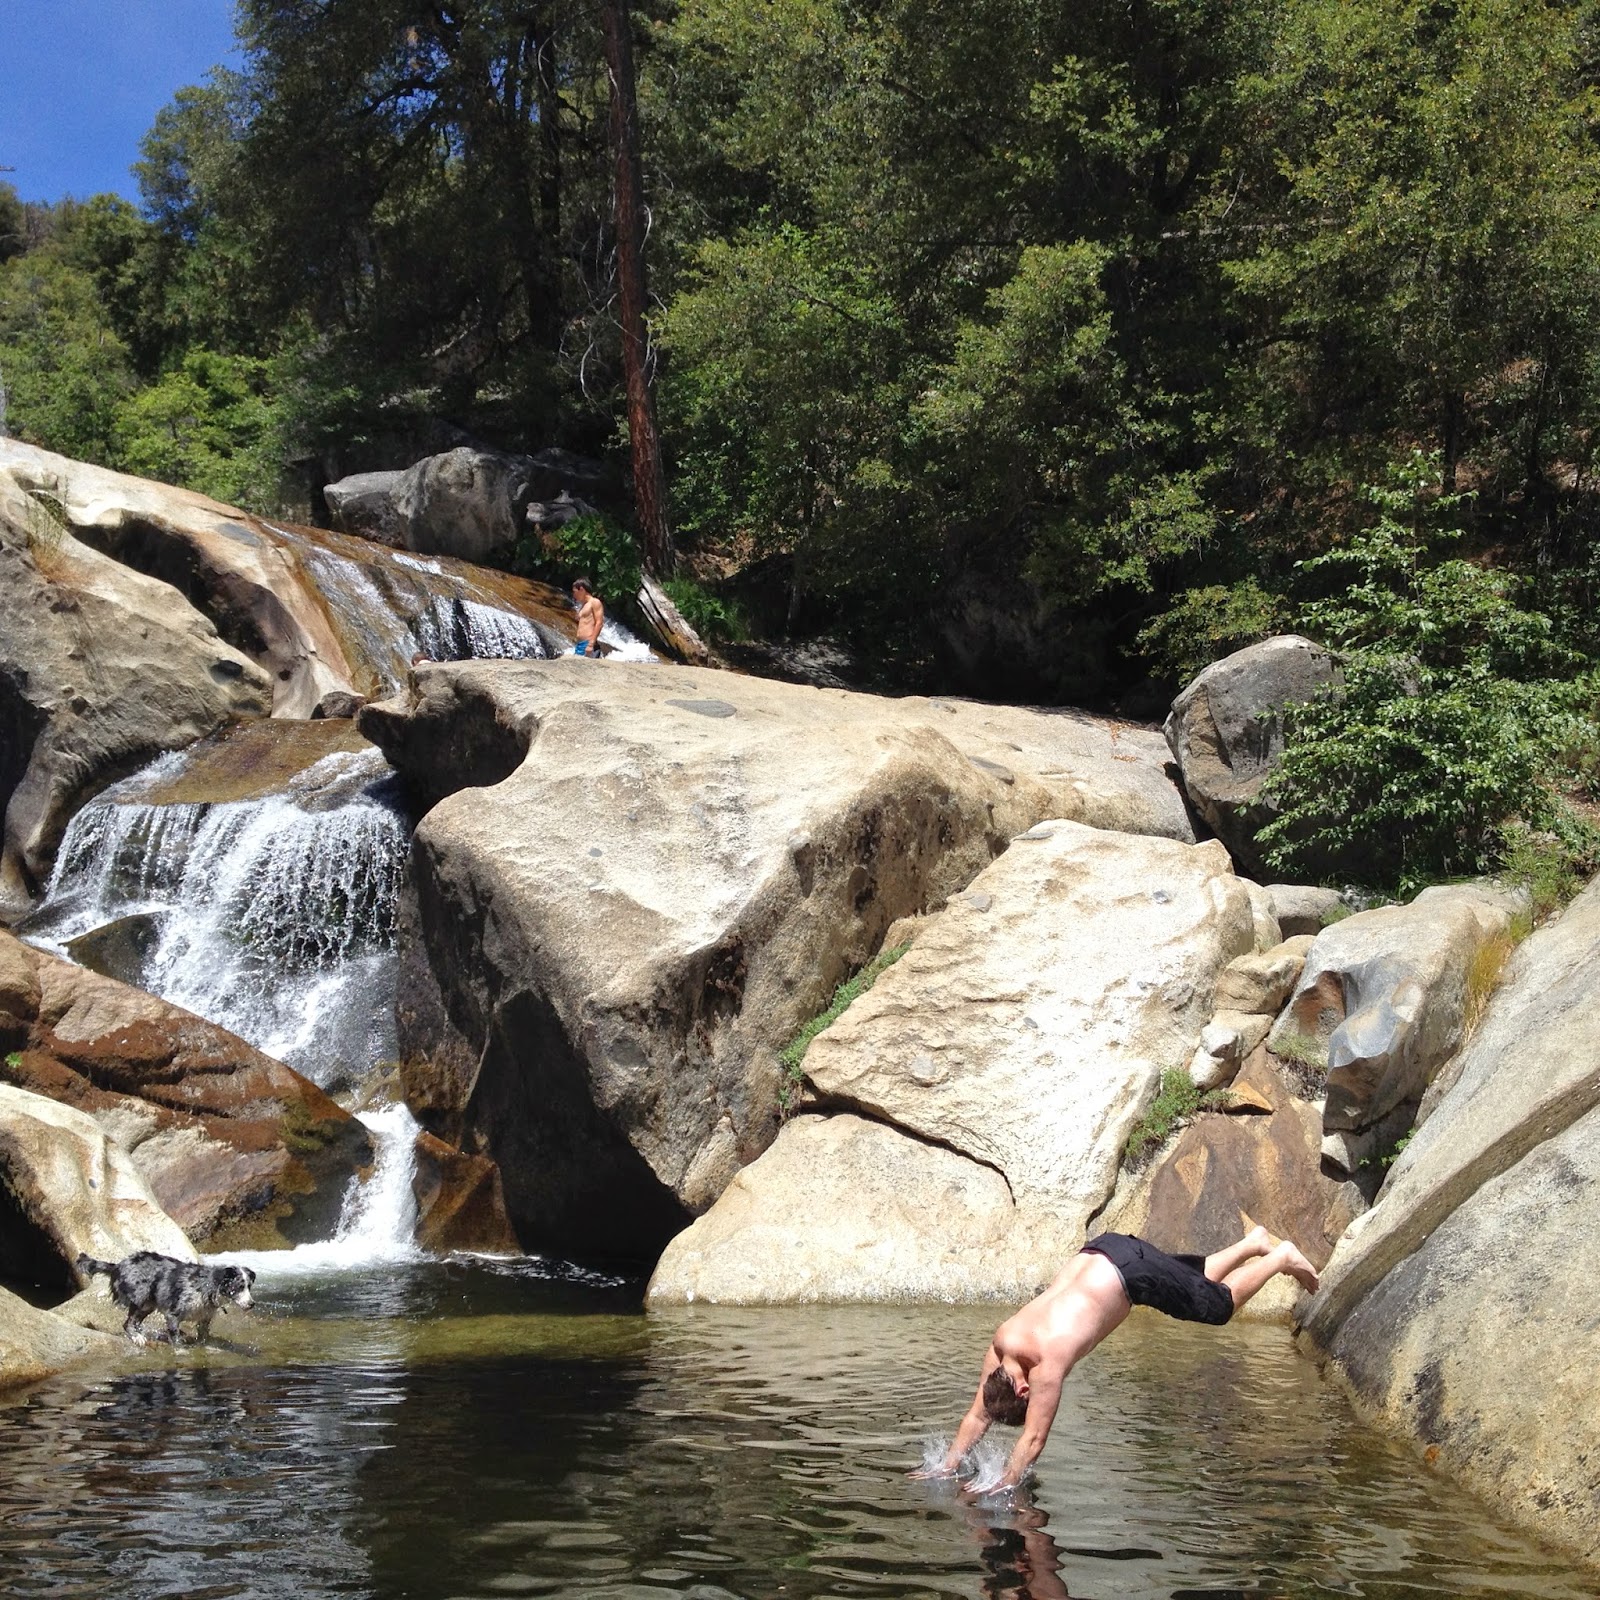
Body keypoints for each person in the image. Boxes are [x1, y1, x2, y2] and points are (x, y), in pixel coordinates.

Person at [913, 1227, 1320, 1493]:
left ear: (1023, 1389)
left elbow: (1033, 1439)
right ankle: (1254, 1243)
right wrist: (947, 1466)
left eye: (1029, 1398)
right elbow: (978, 1416)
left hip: (1130, 1272)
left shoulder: (1046, 1364)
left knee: (1217, 1307)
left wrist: (1004, 1483)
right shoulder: (1001, 1346)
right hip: (1103, 1250)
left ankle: (1280, 1257)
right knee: (1186, 1280)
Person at [572, 576, 604, 657]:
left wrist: (591, 644)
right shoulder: (583, 605)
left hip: (587, 644)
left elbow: (599, 623)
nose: (574, 595)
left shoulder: (595, 602)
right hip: (580, 644)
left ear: (582, 589)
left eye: (575, 592)